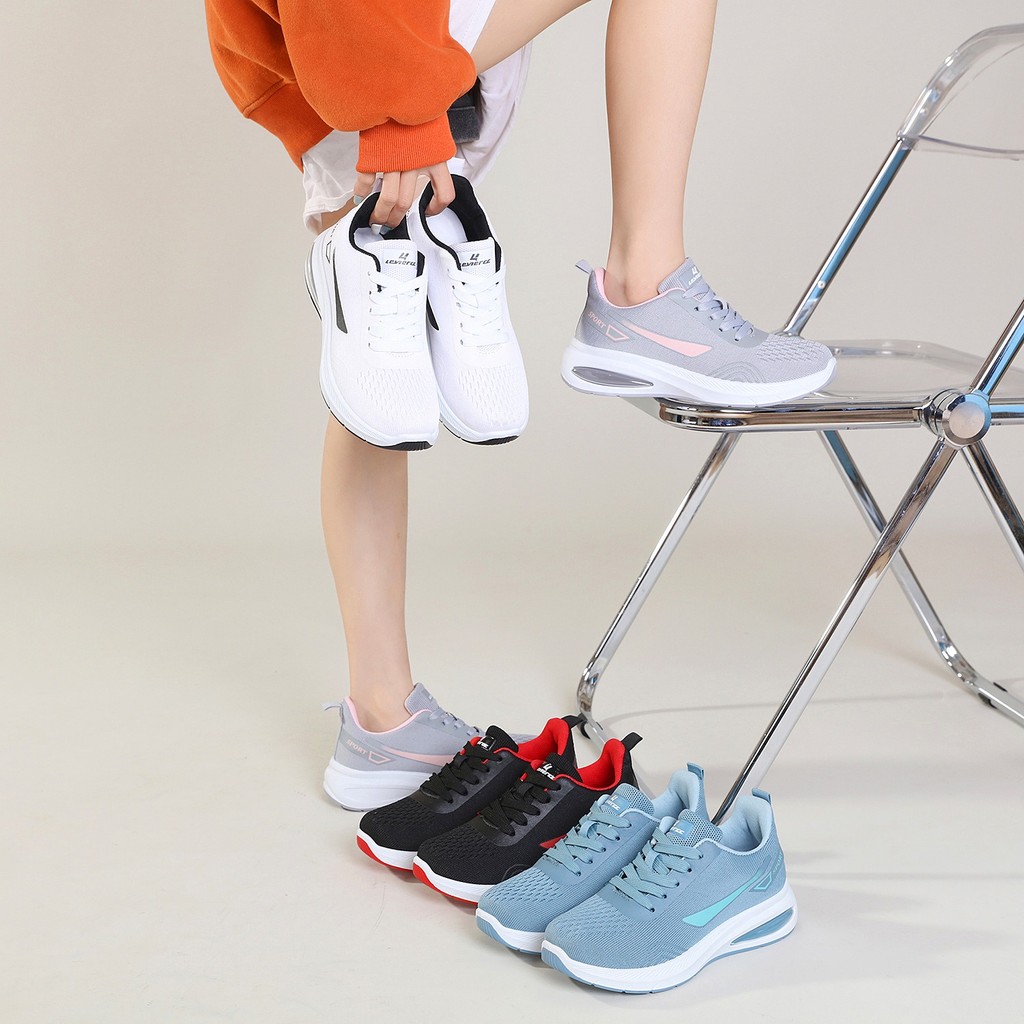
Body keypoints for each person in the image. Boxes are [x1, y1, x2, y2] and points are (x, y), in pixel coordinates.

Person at [204, 0, 834, 811]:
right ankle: (644, 291)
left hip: (364, 53)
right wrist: (393, 115)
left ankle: (382, 719)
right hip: (356, 44)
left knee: (379, 355)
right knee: (378, 334)